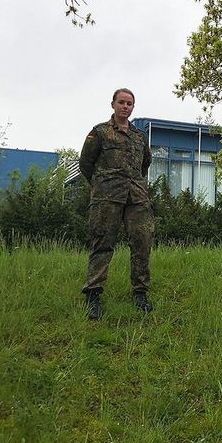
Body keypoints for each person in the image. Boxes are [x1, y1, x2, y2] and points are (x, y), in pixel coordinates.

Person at [79, 88, 154, 319]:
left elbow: (145, 164)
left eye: (129, 103)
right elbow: (86, 163)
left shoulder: (140, 136)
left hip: (137, 198)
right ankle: (93, 294)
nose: (125, 106)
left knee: (142, 242)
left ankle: (140, 292)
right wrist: (102, 184)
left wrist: (134, 184)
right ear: (113, 104)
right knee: (102, 243)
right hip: (107, 198)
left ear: (133, 107)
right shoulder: (100, 132)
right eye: (121, 102)